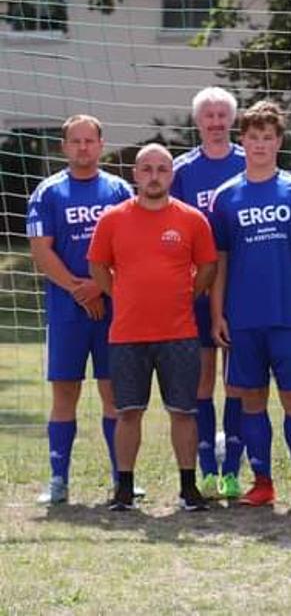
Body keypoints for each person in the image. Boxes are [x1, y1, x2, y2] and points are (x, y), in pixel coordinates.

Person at [208, 100, 291, 508]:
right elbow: (219, 262)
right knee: (252, 400)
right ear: (242, 141)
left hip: (288, 316)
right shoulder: (226, 197)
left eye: (268, 137)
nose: (260, 144)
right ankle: (262, 482)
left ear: (279, 141)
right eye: (253, 137)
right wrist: (217, 313)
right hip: (243, 318)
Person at [87, 144, 218, 511]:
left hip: (179, 333)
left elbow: (207, 267)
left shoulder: (192, 219)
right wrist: (122, 294)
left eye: (162, 168)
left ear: (171, 174)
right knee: (127, 412)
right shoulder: (112, 219)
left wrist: (185, 295)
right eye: (147, 168)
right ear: (135, 173)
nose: (154, 175)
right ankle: (124, 489)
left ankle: (188, 488)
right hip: (127, 334)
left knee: (184, 411)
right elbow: (98, 267)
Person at [27, 114, 133, 505]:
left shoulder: (119, 190)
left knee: (114, 395)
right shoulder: (48, 193)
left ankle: (120, 478)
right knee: (65, 392)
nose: (83, 147)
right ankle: (59, 479)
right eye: (76, 141)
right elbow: (41, 250)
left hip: (112, 309)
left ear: (101, 145)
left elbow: (132, 249)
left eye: (90, 141)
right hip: (68, 310)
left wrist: (100, 288)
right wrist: (77, 288)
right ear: (64, 147)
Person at [170, 86, 247, 500]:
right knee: (200, 380)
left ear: (232, 120)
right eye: (209, 116)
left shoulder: (248, 160)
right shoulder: (181, 170)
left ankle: (232, 471)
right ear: (197, 122)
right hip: (195, 291)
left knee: (236, 381)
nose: (216, 123)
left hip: (241, 291)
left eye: (222, 115)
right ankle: (205, 470)